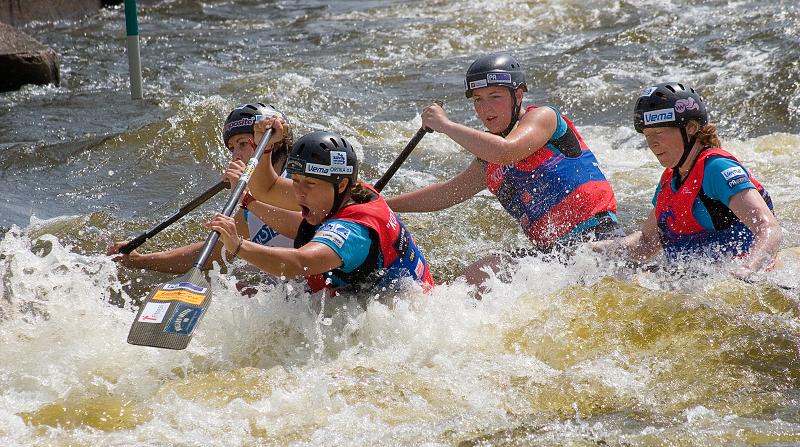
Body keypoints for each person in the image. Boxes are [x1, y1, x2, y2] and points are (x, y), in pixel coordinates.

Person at [385, 52, 621, 288]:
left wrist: (445, 125)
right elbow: (447, 193)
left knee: (484, 271)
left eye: (495, 96)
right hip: (553, 258)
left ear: (517, 95)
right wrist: (382, 204)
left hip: (598, 240)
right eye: (478, 99)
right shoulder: (489, 161)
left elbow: (506, 151)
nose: (486, 108)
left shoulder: (544, 118)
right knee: (475, 276)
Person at [207, 123, 435, 295]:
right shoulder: (345, 191)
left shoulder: (352, 232)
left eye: (309, 183)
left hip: (400, 317)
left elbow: (298, 263)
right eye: (296, 180)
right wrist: (265, 148)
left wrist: (238, 245)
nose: (299, 192)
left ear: (341, 185)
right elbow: (268, 188)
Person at [593, 82, 781, 277]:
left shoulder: (717, 169)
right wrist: (589, 251)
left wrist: (747, 270)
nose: (652, 143)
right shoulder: (670, 179)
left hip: (740, 284)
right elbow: (647, 243)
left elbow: (768, 228)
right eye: (647, 135)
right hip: (694, 285)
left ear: (690, 127)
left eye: (658, 132)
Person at [106, 102, 295, 273]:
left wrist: (246, 198)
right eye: (232, 148)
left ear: (274, 142)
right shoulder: (249, 210)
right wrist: (140, 261)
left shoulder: (301, 181)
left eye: (243, 144)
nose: (235, 156)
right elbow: (213, 252)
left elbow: (300, 227)